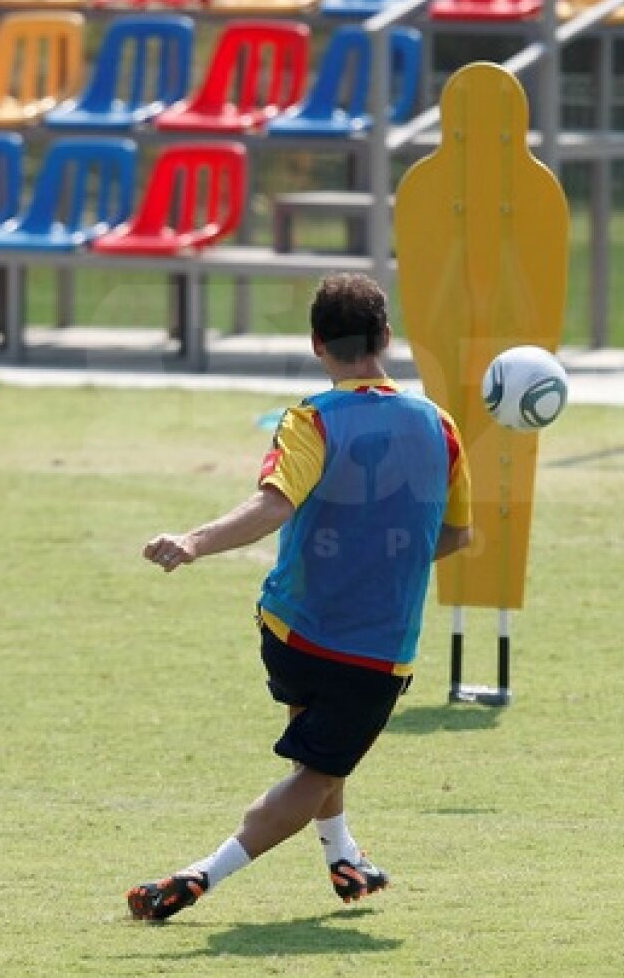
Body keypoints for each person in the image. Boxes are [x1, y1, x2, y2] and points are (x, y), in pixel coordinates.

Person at [127, 273, 472, 921]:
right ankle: (203, 873)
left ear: (318, 344)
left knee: (318, 730)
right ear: (386, 337)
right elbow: (457, 534)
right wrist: (385, 555)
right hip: (374, 653)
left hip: (289, 634)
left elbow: (274, 504)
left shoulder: (313, 418)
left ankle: (343, 854)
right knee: (315, 771)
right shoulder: (440, 428)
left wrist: (194, 543)